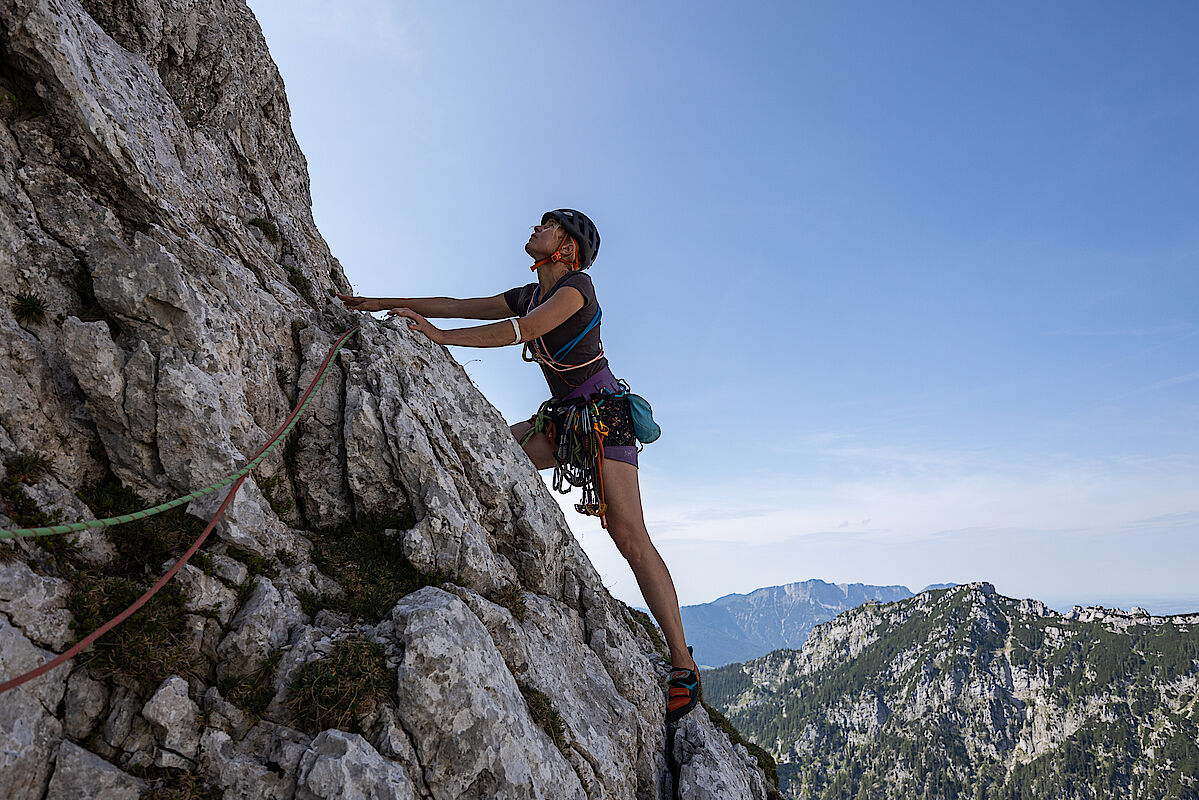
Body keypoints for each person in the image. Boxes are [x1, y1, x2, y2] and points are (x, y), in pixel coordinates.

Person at [336, 209, 699, 723]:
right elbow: (457, 305)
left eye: (547, 225)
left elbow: (519, 332)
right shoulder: (531, 292)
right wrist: (380, 303)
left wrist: (439, 338)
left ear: (568, 245)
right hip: (565, 419)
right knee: (489, 456)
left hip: (604, 416)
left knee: (630, 535)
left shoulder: (576, 289)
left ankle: (683, 663)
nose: (535, 228)